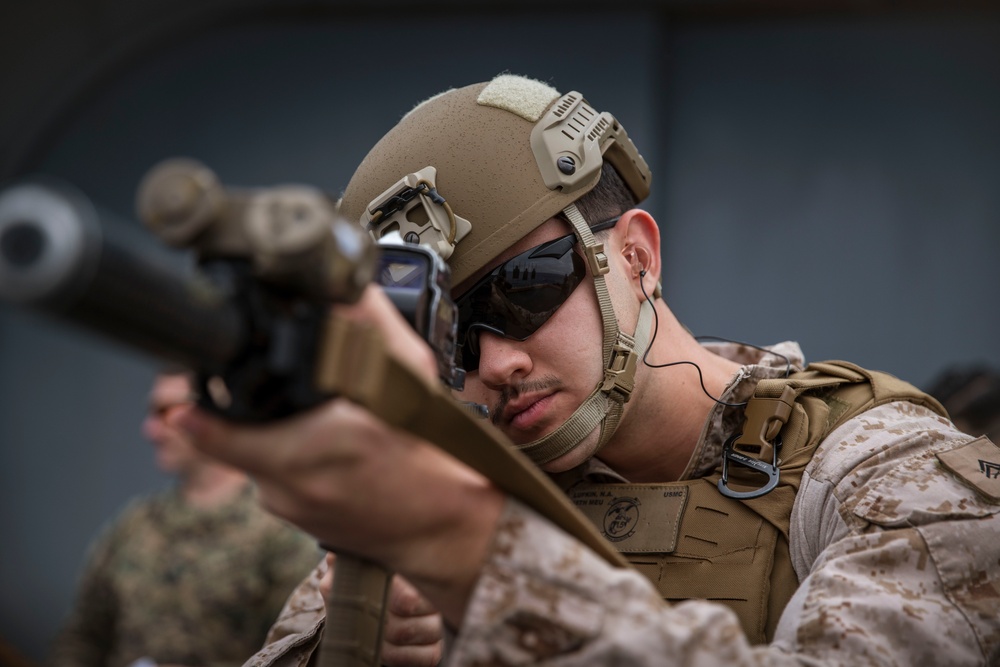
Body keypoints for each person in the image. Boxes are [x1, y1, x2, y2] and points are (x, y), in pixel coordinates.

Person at [177, 74, 1000, 666]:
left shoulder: (883, 472)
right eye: (452, 337)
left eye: (524, 290)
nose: (496, 362)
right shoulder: (466, 481)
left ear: (636, 254)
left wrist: (469, 552)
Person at [50, 370, 321, 667]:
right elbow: (83, 636)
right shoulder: (136, 523)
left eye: (165, 412)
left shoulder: (278, 531)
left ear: (217, 408)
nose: (150, 430)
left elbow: (296, 650)